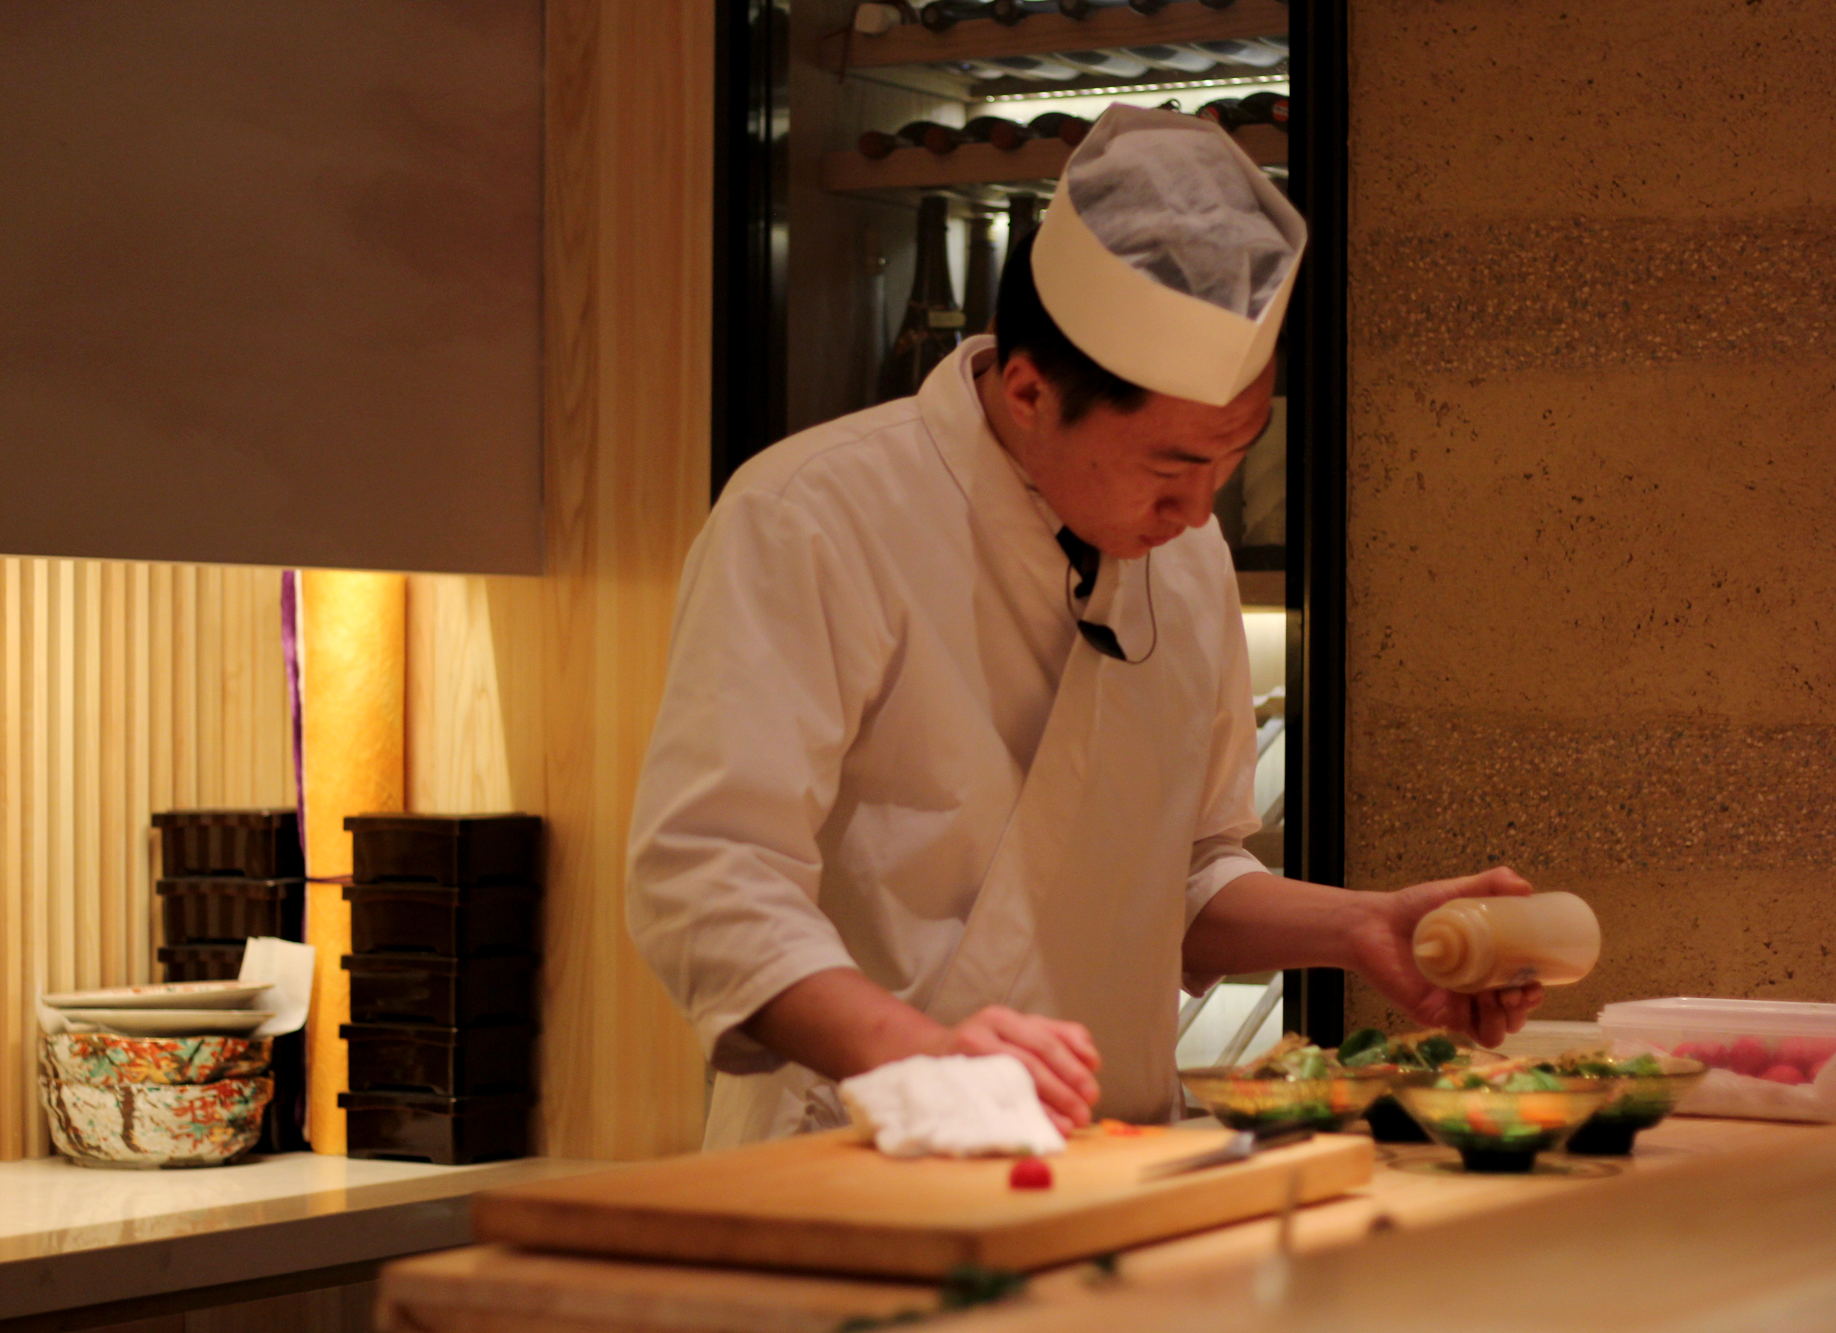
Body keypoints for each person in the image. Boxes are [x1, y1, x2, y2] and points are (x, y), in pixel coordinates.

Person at [628, 107, 1540, 1148]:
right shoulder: (810, 514)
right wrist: (919, 1051)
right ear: (1026, 391)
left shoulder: (1184, 560)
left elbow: (1183, 869)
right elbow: (707, 873)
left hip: (1111, 1154)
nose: (1201, 512)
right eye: (1171, 465)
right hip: (858, 1146)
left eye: (1232, 458)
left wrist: (1359, 926)